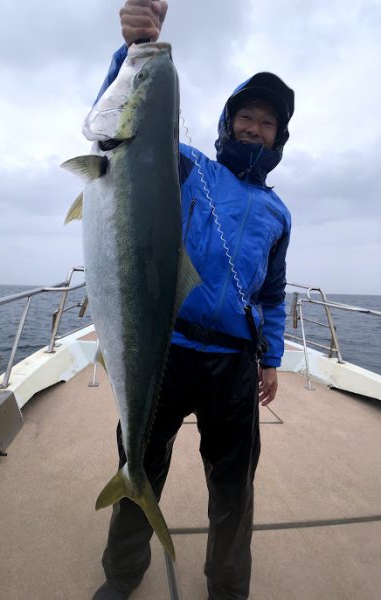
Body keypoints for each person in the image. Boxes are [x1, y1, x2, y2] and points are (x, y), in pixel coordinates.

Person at [93, 1, 294, 598]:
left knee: (234, 487)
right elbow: (125, 141)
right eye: (247, 117)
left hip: (234, 362)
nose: (255, 129)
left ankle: (227, 588)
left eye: (268, 123)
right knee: (142, 464)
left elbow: (274, 292)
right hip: (167, 347)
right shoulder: (190, 169)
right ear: (229, 123)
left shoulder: (279, 212)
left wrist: (272, 357)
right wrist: (134, 51)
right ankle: (123, 574)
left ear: (279, 136)